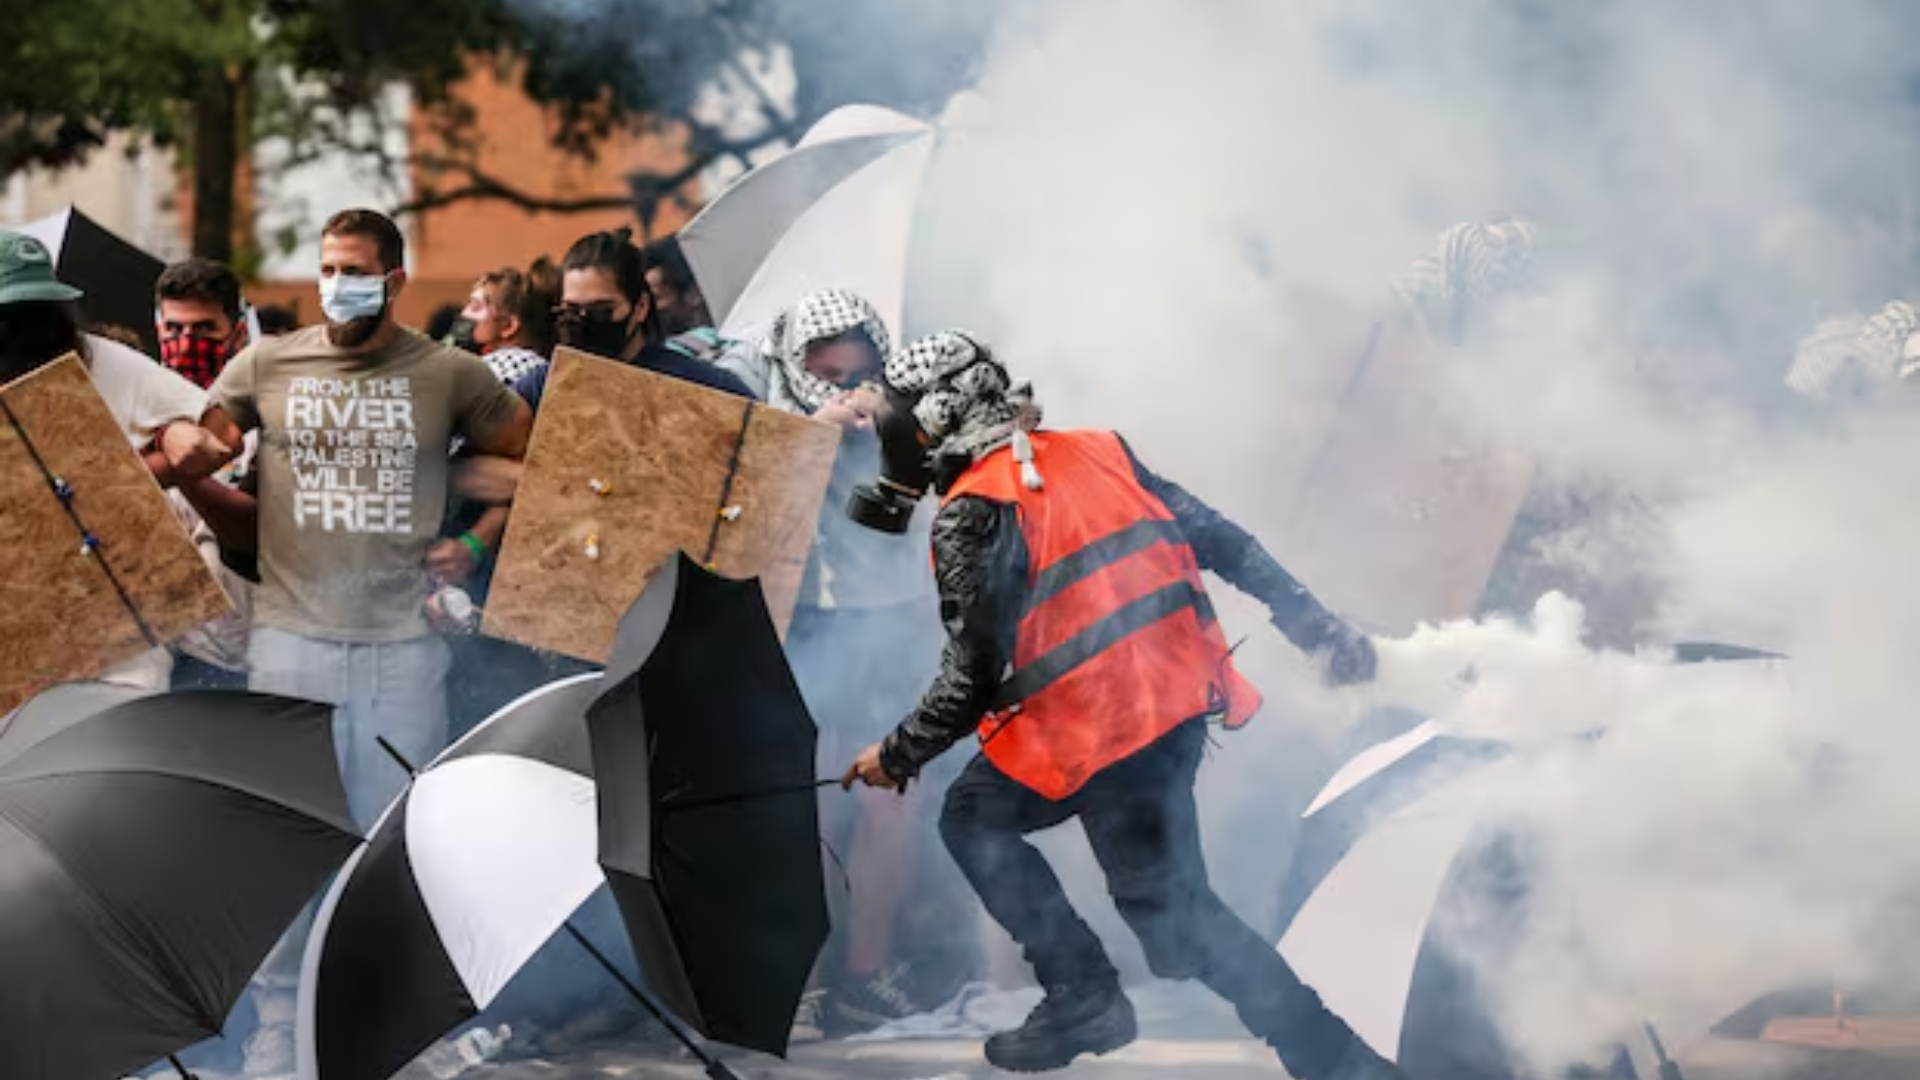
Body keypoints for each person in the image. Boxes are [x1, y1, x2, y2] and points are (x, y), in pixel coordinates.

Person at [839, 331, 1401, 1079]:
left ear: (938, 415)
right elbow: (1223, 542)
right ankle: (1327, 1056)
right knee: (1177, 923)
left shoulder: (973, 511)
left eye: (903, 415)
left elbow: (971, 675)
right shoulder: (1102, 449)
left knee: (979, 822)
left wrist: (897, 753)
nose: (896, 434)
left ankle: (1090, 995)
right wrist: (1315, 626)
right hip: (1168, 710)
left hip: (1101, 726)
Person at [735, 291, 962, 1034]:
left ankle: (865, 973)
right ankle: (799, 971)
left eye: (854, 367)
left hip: (890, 622)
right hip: (800, 625)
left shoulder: (909, 405)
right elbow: (732, 489)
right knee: (808, 802)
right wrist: (812, 432)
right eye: (823, 367)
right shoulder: (767, 410)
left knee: (888, 803)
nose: (840, 382)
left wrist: (891, 416)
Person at [0, 230, 249, 693]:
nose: (25, 329)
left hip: (120, 627)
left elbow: (223, 437)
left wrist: (141, 465)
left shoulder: (100, 360)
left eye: (37, 314)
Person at [510, 226, 753, 410]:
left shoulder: (702, 387)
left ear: (640, 307)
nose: (584, 320)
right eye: (571, 310)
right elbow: (476, 459)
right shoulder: (544, 385)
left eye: (602, 310)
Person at [449, 260, 559, 386]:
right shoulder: (544, 369)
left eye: (476, 307)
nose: (464, 314)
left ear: (509, 326)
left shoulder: (495, 368)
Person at [156, 256, 247, 388]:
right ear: (159, 331)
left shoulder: (260, 405)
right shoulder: (134, 403)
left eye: (204, 328)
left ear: (238, 336)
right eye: (174, 328)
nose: (186, 346)